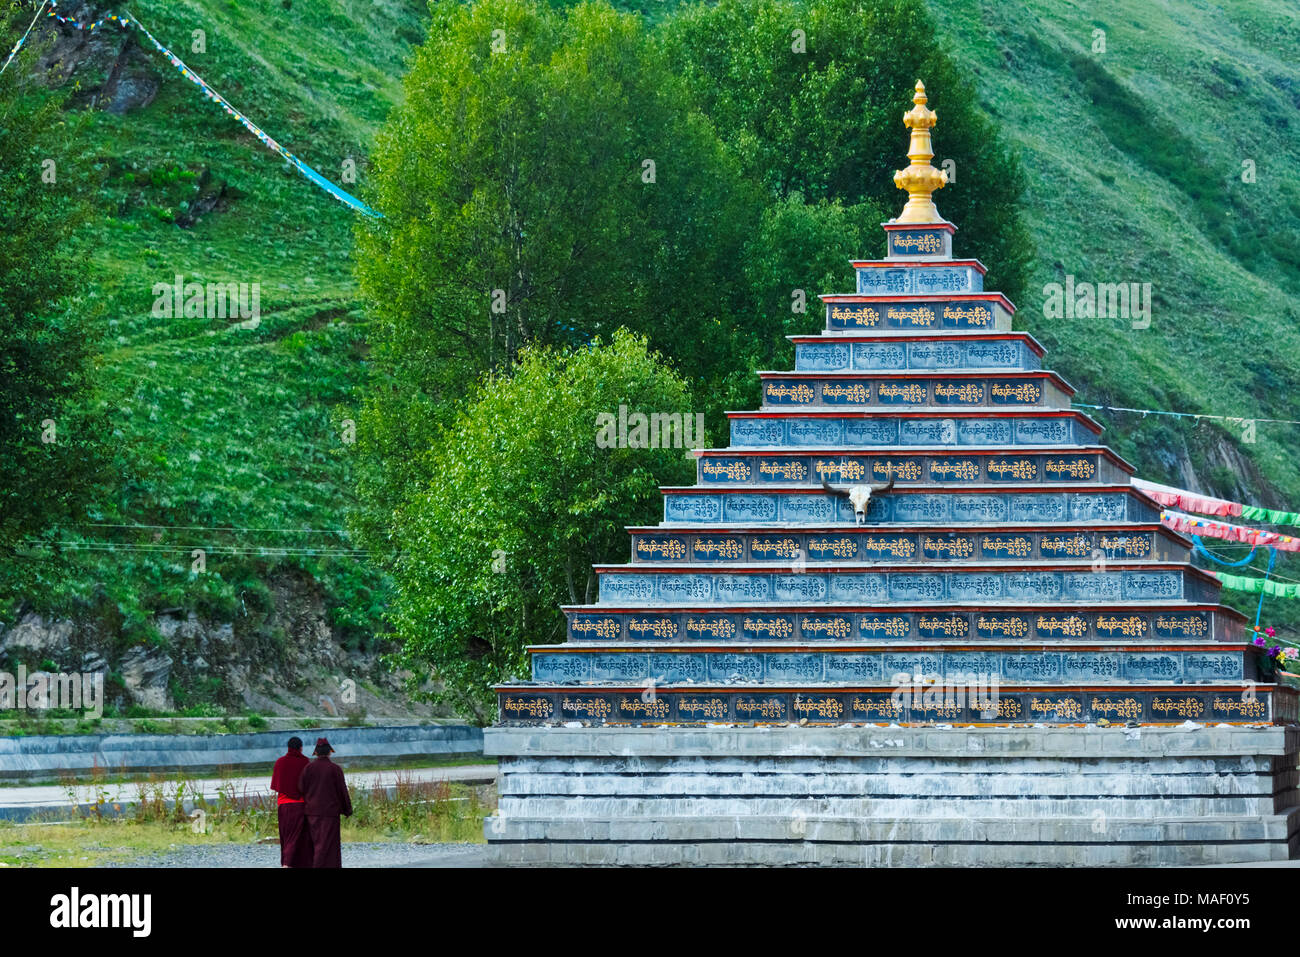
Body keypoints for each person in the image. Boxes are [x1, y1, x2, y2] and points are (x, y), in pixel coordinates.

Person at [298, 736, 353, 868]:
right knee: (328, 846)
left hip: (312, 813)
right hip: (330, 813)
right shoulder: (335, 769)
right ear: (329, 752)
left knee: (316, 843)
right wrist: (347, 810)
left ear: (316, 752)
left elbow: (300, 788)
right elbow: (342, 791)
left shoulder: (308, 769)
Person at [270, 736, 313, 868]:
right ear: (301, 748)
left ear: (288, 747)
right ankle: (290, 864)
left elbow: (276, 785)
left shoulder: (280, 762)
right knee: (300, 837)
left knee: (287, 836)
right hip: (301, 805)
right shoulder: (306, 762)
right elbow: (310, 785)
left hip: (283, 805)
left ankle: (286, 862)